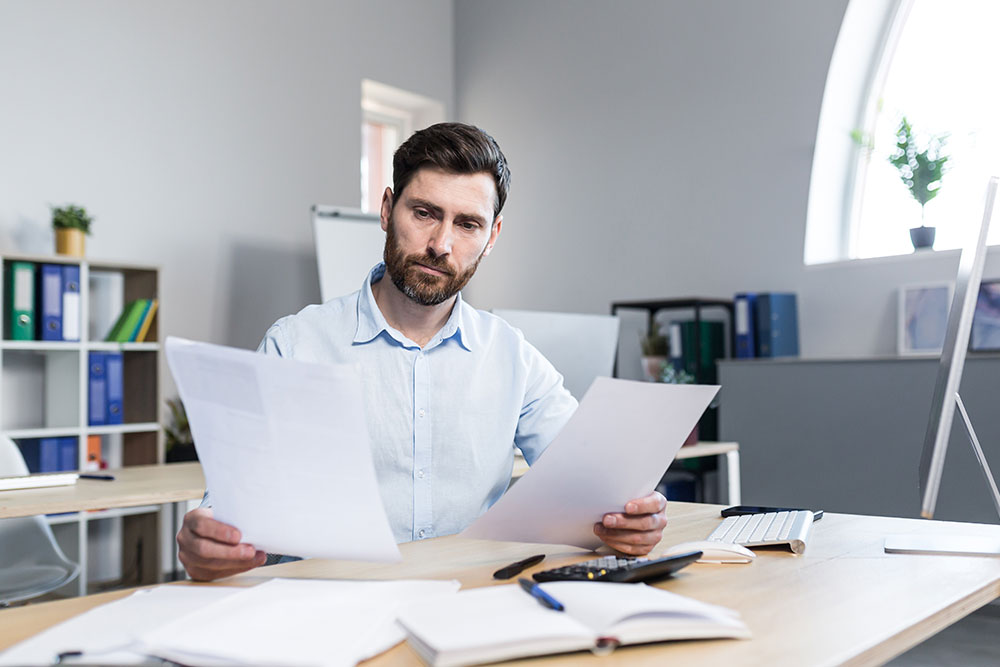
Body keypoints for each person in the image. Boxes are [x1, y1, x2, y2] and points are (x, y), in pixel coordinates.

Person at [177, 123, 668, 582]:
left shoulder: (512, 357)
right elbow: (229, 513)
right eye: (425, 213)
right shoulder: (295, 344)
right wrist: (209, 543)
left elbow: (596, 487)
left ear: (491, 236)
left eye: (468, 224)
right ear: (388, 209)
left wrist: (631, 519)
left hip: (465, 606)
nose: (441, 244)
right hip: (327, 613)